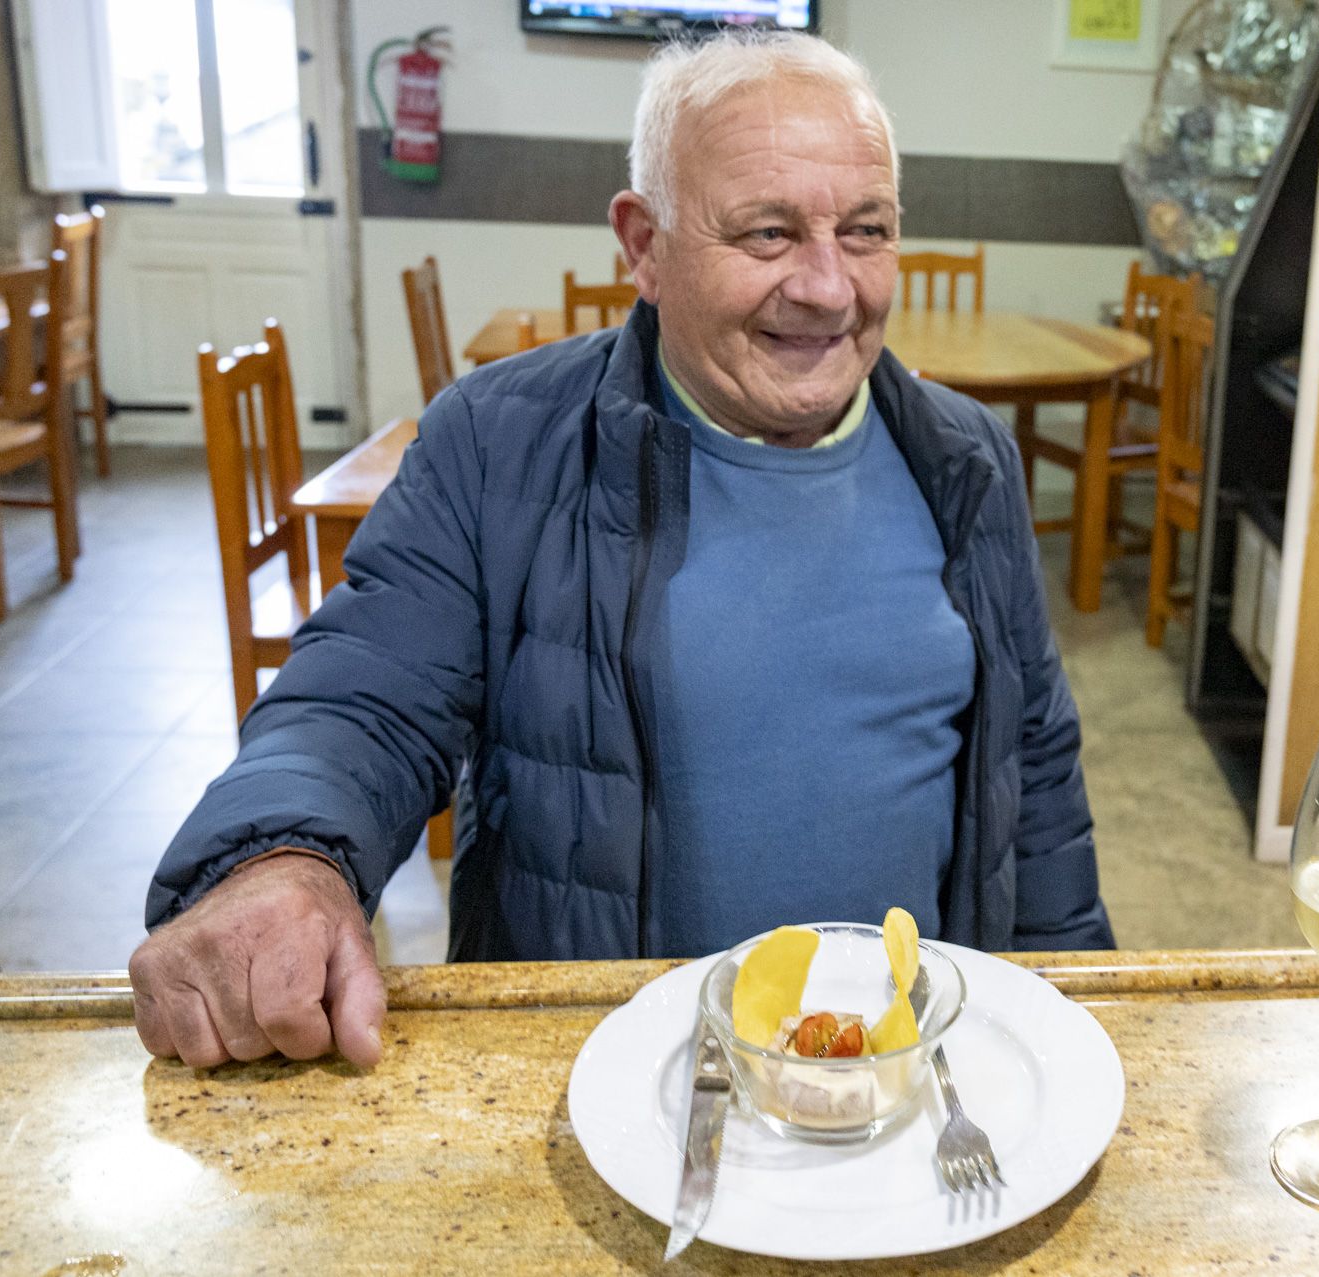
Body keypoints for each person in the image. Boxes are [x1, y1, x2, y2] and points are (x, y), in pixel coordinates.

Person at [130, 32, 1112, 1070]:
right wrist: (281, 858)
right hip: (609, 1085)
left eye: (866, 231)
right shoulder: (497, 441)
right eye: (769, 233)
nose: (829, 286)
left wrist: (1079, 1019)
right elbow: (363, 692)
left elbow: (1033, 774)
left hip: (904, 1082)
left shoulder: (968, 463)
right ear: (644, 245)